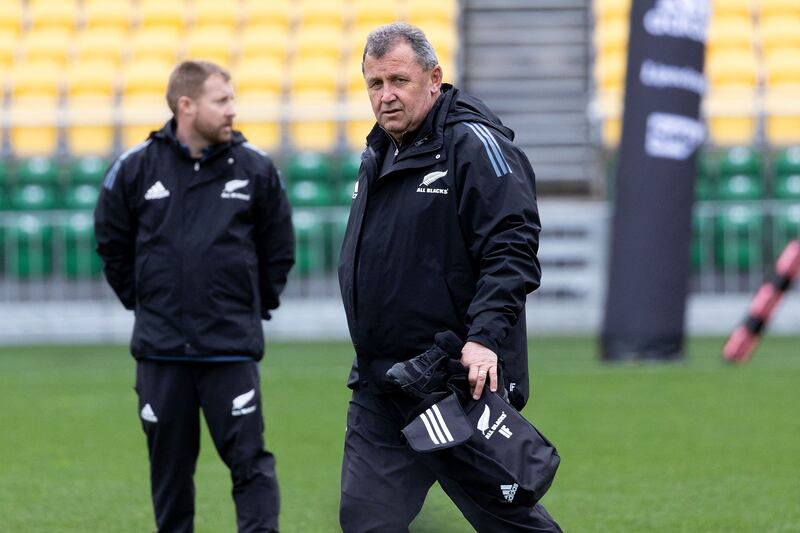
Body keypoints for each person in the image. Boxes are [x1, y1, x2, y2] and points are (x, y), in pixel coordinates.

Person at [337, 23, 561, 532]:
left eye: (398, 80)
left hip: (452, 381)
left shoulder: (473, 144)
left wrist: (483, 338)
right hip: (382, 383)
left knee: (508, 519)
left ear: (433, 79)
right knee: (366, 520)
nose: (386, 96)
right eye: (375, 84)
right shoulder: (379, 150)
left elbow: (512, 246)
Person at [94, 60, 294, 533]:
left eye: (232, 100)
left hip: (229, 350)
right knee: (170, 478)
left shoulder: (256, 168)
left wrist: (251, 306)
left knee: (251, 466)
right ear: (186, 105)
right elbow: (112, 244)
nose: (233, 111)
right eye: (221, 101)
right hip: (162, 353)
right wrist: (147, 303)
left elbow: (278, 251)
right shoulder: (136, 168)